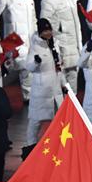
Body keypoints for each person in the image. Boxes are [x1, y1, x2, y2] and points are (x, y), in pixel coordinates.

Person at [22, 18, 66, 158]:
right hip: (41, 90)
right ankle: (30, 146)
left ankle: (61, 145)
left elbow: (59, 67)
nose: (48, 33)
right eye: (45, 30)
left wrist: (64, 85)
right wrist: (36, 62)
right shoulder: (35, 46)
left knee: (60, 119)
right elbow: (28, 67)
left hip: (56, 89)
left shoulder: (55, 44)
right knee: (36, 120)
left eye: (49, 30)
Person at [2, 0, 37, 103]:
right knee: (10, 69)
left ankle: (28, 98)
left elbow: (33, 19)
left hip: (29, 40)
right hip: (14, 41)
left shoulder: (30, 0)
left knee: (26, 69)